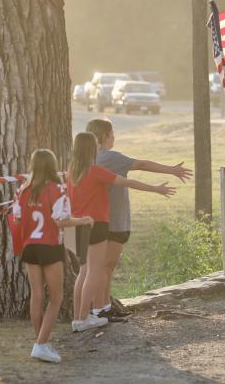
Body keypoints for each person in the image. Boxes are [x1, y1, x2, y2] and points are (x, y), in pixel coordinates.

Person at [86, 118, 193, 321]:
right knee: (104, 267)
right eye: (113, 133)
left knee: (104, 267)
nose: (114, 137)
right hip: (114, 220)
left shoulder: (89, 159)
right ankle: (98, 309)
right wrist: (171, 169)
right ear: (106, 135)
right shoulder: (109, 157)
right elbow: (141, 164)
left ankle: (105, 305)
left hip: (100, 219)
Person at [68, 132, 175, 332]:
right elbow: (129, 183)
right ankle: (83, 318)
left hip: (76, 225)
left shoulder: (71, 172)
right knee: (94, 270)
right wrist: (155, 189)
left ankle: (77, 317)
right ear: (92, 149)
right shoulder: (96, 171)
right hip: (96, 224)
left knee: (83, 271)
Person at [12, 149, 93, 363]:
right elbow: (62, 221)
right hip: (49, 246)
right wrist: (83, 220)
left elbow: (17, 219)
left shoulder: (22, 190)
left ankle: (41, 342)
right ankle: (41, 345)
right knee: (55, 298)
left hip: (30, 247)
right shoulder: (57, 189)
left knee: (36, 296)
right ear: (51, 165)